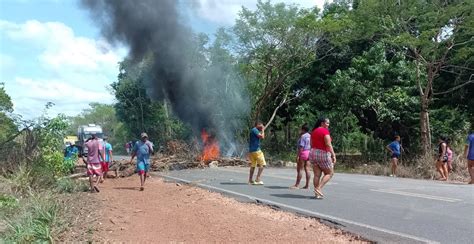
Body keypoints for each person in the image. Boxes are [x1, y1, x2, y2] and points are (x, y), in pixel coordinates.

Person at [310, 117, 336, 199]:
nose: (328, 125)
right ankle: (318, 188)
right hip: (323, 153)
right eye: (327, 123)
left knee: (317, 175)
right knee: (329, 173)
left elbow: (311, 143)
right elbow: (328, 144)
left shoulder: (313, 131)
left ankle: (316, 194)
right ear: (322, 123)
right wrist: (333, 155)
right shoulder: (325, 131)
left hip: (313, 152)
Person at [291, 124, 311, 189]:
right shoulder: (310, 136)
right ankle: (307, 185)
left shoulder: (303, 136)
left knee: (300, 169)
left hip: (303, 152)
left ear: (303, 129)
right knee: (307, 169)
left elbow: (301, 147)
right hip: (309, 152)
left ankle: (297, 185)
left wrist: (298, 156)